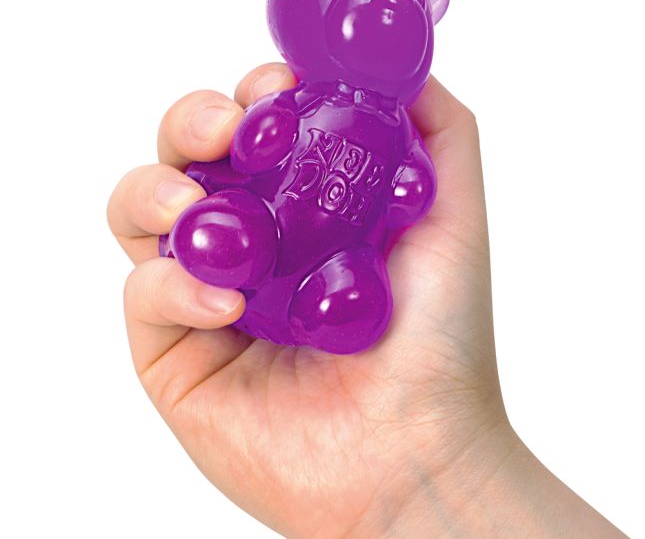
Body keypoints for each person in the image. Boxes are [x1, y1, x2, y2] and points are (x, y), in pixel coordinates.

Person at [107, 63, 626, 537]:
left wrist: (443, 468)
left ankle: (318, 296)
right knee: (228, 230)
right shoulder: (307, 99)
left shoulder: (401, 127)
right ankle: (227, 236)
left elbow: (412, 190)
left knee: (354, 297)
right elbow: (251, 148)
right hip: (262, 232)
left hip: (337, 268)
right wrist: (262, 131)